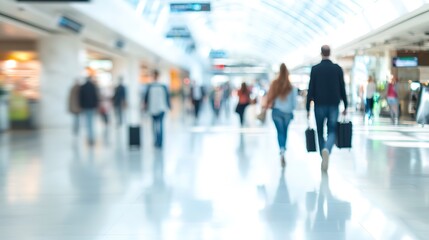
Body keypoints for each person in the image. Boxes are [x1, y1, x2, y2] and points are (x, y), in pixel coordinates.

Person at [306, 45, 348, 172]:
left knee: (319, 131)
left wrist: (308, 107)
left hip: (319, 104)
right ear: (330, 53)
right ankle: (327, 150)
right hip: (334, 104)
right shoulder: (337, 69)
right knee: (332, 130)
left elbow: (311, 89)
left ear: (321, 53)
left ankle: (322, 153)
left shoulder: (315, 69)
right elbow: (342, 88)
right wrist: (346, 105)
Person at [263, 63, 298, 167]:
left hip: (277, 112)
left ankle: (281, 149)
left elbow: (269, 97)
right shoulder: (291, 87)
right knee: (285, 132)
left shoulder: (274, 84)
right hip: (287, 113)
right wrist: (290, 109)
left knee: (279, 132)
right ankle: (283, 148)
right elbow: (294, 104)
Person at [144, 70, 171, 148]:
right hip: (153, 108)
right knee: (155, 126)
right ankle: (157, 141)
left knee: (159, 125)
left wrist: (168, 106)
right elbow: (146, 99)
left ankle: (159, 141)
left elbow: (167, 97)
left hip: (161, 108)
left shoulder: (161, 86)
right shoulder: (152, 86)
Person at [79, 75, 99, 146]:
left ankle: (89, 137)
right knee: (91, 122)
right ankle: (91, 137)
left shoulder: (83, 87)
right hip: (92, 107)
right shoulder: (93, 86)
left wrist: (82, 106)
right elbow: (96, 97)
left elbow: (81, 98)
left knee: (88, 123)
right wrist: (96, 106)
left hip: (86, 107)